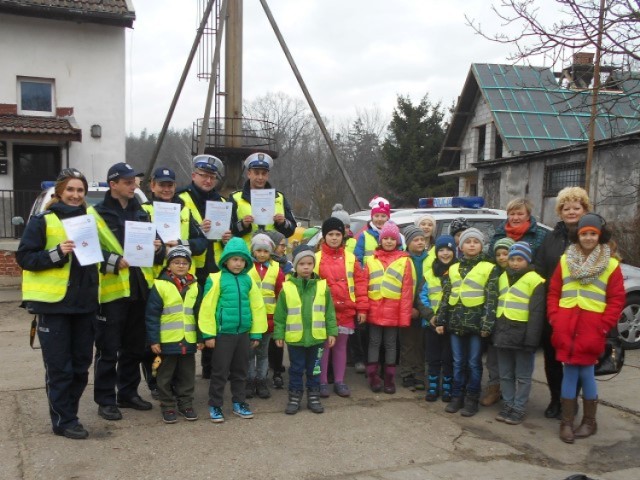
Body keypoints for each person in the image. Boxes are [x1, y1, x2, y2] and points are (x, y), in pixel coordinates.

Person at [17, 168, 98, 440]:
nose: (76, 195)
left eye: (80, 191)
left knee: (80, 368)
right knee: (59, 369)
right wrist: (56, 253)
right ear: (60, 192)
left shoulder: (90, 221)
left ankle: (69, 414)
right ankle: (64, 420)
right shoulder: (43, 221)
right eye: (71, 190)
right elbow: (25, 258)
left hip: (85, 306)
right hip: (53, 307)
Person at [89, 162, 165, 421]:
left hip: (140, 290)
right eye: (129, 182)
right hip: (111, 293)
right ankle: (106, 399)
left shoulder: (142, 214)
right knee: (108, 349)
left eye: (135, 182)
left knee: (134, 347)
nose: (134, 186)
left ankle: (128, 393)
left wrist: (158, 249)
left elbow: (160, 251)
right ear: (113, 185)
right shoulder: (96, 215)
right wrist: (112, 261)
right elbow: (86, 252)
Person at [547, 214, 625, 443]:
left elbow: (616, 300)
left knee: (587, 373)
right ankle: (567, 422)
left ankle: (590, 422)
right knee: (570, 372)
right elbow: (553, 292)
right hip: (566, 325)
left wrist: (603, 327)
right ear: (577, 235)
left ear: (599, 236)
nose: (588, 238)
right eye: (584, 233)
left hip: (592, 328)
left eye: (593, 233)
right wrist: (554, 318)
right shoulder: (565, 261)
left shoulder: (610, 265)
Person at [140, 166, 208, 398]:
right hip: (154, 282)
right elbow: (135, 245)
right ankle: (155, 383)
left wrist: (180, 243)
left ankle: (179, 384)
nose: (166, 189)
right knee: (155, 338)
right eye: (161, 185)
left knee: (182, 335)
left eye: (170, 185)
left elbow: (202, 243)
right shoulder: (144, 210)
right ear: (152, 186)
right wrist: (157, 248)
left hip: (185, 284)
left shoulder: (186, 210)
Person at [533, 186, 592, 419]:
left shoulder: (591, 236)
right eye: (566, 208)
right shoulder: (552, 237)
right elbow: (539, 268)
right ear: (560, 211)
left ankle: (571, 401)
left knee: (575, 360)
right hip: (553, 308)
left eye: (576, 208)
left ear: (584, 209)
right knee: (552, 358)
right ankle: (555, 399)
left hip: (580, 310)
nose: (571, 212)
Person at [198, 237, 267, 423]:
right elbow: (207, 308)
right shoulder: (216, 279)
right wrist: (208, 334)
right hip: (223, 335)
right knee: (220, 372)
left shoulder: (248, 281)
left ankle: (239, 402)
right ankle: (215, 404)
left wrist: (256, 332)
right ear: (226, 260)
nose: (238, 263)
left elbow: (257, 307)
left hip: (243, 334)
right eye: (234, 259)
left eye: (242, 260)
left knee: (240, 371)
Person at [178, 155, 231, 381]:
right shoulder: (180, 199)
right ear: (193, 176)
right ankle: (184, 372)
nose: (208, 180)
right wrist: (198, 229)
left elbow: (227, 232)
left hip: (215, 268)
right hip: (188, 269)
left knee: (213, 318)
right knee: (188, 318)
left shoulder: (221, 203)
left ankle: (210, 368)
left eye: (212, 177)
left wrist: (228, 237)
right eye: (203, 176)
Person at [437, 228, 499, 417]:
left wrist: (487, 324)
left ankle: (472, 398)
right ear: (461, 246)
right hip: (456, 323)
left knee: (473, 362)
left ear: (481, 245)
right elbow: (447, 295)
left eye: (476, 241)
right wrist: (440, 319)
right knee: (458, 362)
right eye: (467, 241)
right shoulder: (454, 268)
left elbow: (491, 298)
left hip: (476, 325)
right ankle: (457, 396)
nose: (472, 244)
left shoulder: (489, 267)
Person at [273, 245, 338, 415]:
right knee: (296, 369)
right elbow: (280, 315)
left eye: (310, 263)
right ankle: (294, 397)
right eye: (302, 264)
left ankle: (313, 396)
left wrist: (332, 332)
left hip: (317, 339)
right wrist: (278, 334)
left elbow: (329, 312)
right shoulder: (287, 288)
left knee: (314, 369)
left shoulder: (322, 287)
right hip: (296, 339)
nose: (306, 267)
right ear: (295, 265)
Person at [145, 246, 203, 424]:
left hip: (188, 339)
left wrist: (201, 337)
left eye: (184, 263)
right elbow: (152, 315)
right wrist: (154, 339)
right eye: (176, 262)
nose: (181, 266)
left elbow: (199, 313)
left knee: (187, 375)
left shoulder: (195, 286)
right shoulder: (160, 285)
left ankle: (185, 403)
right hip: (167, 340)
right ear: (169, 266)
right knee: (165, 375)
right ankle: (167, 405)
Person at [315, 216, 368, 398]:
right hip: (323, 312)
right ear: (324, 236)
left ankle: (339, 380)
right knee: (324, 348)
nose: (334, 238)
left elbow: (360, 283)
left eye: (338, 234)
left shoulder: (351, 258)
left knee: (340, 348)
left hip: (346, 310)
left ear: (343, 236)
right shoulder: (316, 258)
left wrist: (361, 309)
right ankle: (322, 381)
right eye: (330, 234)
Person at [492, 242, 545, 425]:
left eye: (519, 259)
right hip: (503, 333)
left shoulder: (535, 280)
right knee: (505, 374)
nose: (515, 263)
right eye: (512, 259)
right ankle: (508, 404)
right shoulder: (502, 277)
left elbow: (537, 313)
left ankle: (519, 407)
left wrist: (532, 340)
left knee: (522, 376)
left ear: (527, 260)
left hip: (523, 335)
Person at [364, 222, 415, 394]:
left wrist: (404, 316)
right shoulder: (370, 260)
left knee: (391, 344)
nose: (388, 241)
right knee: (374, 342)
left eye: (392, 239)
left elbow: (407, 291)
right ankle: (373, 376)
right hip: (374, 309)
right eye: (385, 238)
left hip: (393, 312)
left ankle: (389, 378)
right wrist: (363, 310)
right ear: (380, 240)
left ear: (397, 241)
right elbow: (364, 285)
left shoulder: (404, 261)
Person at [416, 235, 457, 403]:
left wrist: (445, 319)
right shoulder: (429, 273)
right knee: (432, 357)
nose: (445, 253)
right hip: (431, 323)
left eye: (448, 250)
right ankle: (433, 386)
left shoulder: (458, 271)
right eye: (441, 250)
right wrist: (430, 316)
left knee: (448, 357)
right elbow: (421, 297)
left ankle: (447, 387)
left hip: (450, 323)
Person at [246, 233, 285, 400]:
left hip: (269, 318)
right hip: (250, 318)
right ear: (253, 251)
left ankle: (261, 381)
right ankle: (249, 381)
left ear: (270, 252)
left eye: (265, 251)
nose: (262, 254)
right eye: (258, 250)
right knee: (248, 354)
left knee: (263, 353)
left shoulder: (276, 269)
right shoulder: (246, 267)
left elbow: (280, 294)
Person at [229, 152, 297, 247]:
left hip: (274, 256)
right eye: (256, 173)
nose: (260, 177)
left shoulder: (280, 198)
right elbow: (228, 231)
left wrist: (283, 223)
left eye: (264, 173)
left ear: (267, 175)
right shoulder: (235, 198)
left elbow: (291, 230)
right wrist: (243, 225)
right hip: (246, 256)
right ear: (249, 174)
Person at [479, 237, 516, 408]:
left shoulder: (518, 273)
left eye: (506, 254)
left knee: (510, 361)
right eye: (498, 254)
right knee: (492, 359)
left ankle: (510, 393)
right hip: (495, 323)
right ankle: (493, 389)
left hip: (512, 323)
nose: (502, 258)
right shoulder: (493, 272)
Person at [399, 225, 429, 391]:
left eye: (422, 240)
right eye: (415, 240)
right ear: (408, 243)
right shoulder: (403, 260)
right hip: (408, 307)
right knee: (407, 342)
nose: (419, 243)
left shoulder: (430, 259)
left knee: (421, 343)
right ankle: (406, 373)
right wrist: (409, 307)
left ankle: (419, 374)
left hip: (424, 307)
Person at [264, 230, 292, 389]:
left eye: (285, 246)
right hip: (269, 309)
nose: (284, 249)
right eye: (281, 246)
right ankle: (269, 369)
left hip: (283, 308)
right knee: (269, 343)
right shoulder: (268, 265)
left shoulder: (287, 264)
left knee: (278, 342)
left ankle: (277, 369)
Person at [354, 196, 391, 266]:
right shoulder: (364, 236)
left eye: (383, 216)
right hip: (369, 275)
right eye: (376, 216)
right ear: (372, 217)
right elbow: (358, 259)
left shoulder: (395, 236)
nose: (379, 219)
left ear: (388, 218)